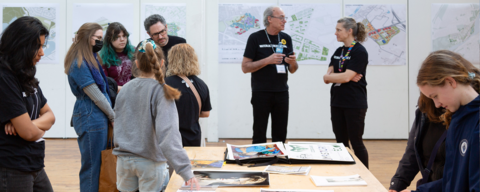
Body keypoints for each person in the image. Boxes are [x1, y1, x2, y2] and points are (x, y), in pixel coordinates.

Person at [113, 39, 199, 191]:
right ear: (161, 63)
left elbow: (117, 123)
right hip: (150, 163)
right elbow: (168, 135)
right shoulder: (161, 91)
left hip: (124, 162)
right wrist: (186, 171)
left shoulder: (124, 89)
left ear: (137, 64)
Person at [401, 50, 480, 192]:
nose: (436, 104)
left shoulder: (476, 123)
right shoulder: (456, 120)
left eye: (435, 96)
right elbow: (451, 180)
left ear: (450, 81)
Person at [0, 16, 55, 192]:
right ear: (20, 46)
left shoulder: (26, 75)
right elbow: (29, 133)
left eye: (42, 46)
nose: (41, 53)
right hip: (12, 166)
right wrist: (29, 128)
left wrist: (27, 125)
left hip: (34, 163)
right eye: (37, 47)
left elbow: (51, 116)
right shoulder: (4, 78)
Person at [65, 23, 114, 192]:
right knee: (92, 167)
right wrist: (113, 116)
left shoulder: (91, 59)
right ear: (87, 38)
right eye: (98, 39)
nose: (100, 42)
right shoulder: (79, 62)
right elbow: (96, 94)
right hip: (90, 115)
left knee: (98, 164)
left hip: (95, 115)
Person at [241, 6, 298, 144]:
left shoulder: (286, 38)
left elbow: (293, 69)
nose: (284, 21)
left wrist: (293, 62)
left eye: (285, 17)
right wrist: (268, 60)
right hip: (261, 92)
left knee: (280, 131)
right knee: (259, 131)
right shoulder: (255, 38)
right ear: (270, 19)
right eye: (281, 17)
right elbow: (245, 67)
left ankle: (279, 160)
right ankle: (259, 161)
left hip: (282, 92)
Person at [323, 17, 369, 168]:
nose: (335, 33)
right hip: (337, 102)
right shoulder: (338, 51)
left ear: (349, 31)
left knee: (356, 142)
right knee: (340, 143)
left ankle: (365, 176)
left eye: (338, 30)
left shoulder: (359, 51)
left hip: (354, 103)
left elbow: (343, 76)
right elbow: (327, 76)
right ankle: (345, 173)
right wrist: (343, 77)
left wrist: (343, 77)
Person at [389, 93, 446, 192]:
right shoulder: (425, 110)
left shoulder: (468, 119)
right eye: (431, 96)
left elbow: (460, 179)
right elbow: (412, 153)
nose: (436, 103)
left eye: (436, 95)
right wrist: (397, 184)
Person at [165, 43, 212, 146]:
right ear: (194, 59)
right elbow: (205, 113)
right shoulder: (201, 84)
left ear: (171, 60)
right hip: (193, 137)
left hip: (171, 139)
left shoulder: (165, 83)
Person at [100, 22, 135, 92]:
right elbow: (105, 84)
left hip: (135, 93)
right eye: (117, 37)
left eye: (124, 36)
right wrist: (127, 90)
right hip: (116, 97)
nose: (122, 39)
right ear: (109, 39)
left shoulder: (134, 51)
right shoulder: (103, 58)